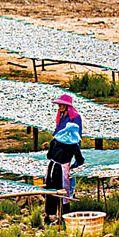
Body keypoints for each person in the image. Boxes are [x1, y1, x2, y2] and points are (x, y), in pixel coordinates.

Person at [44, 94, 84, 224]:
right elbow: (80, 159)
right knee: (64, 191)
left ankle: (49, 216)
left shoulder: (74, 118)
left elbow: (49, 155)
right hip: (62, 167)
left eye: (61, 105)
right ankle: (64, 217)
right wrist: (75, 162)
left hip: (52, 166)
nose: (59, 107)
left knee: (51, 189)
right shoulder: (72, 143)